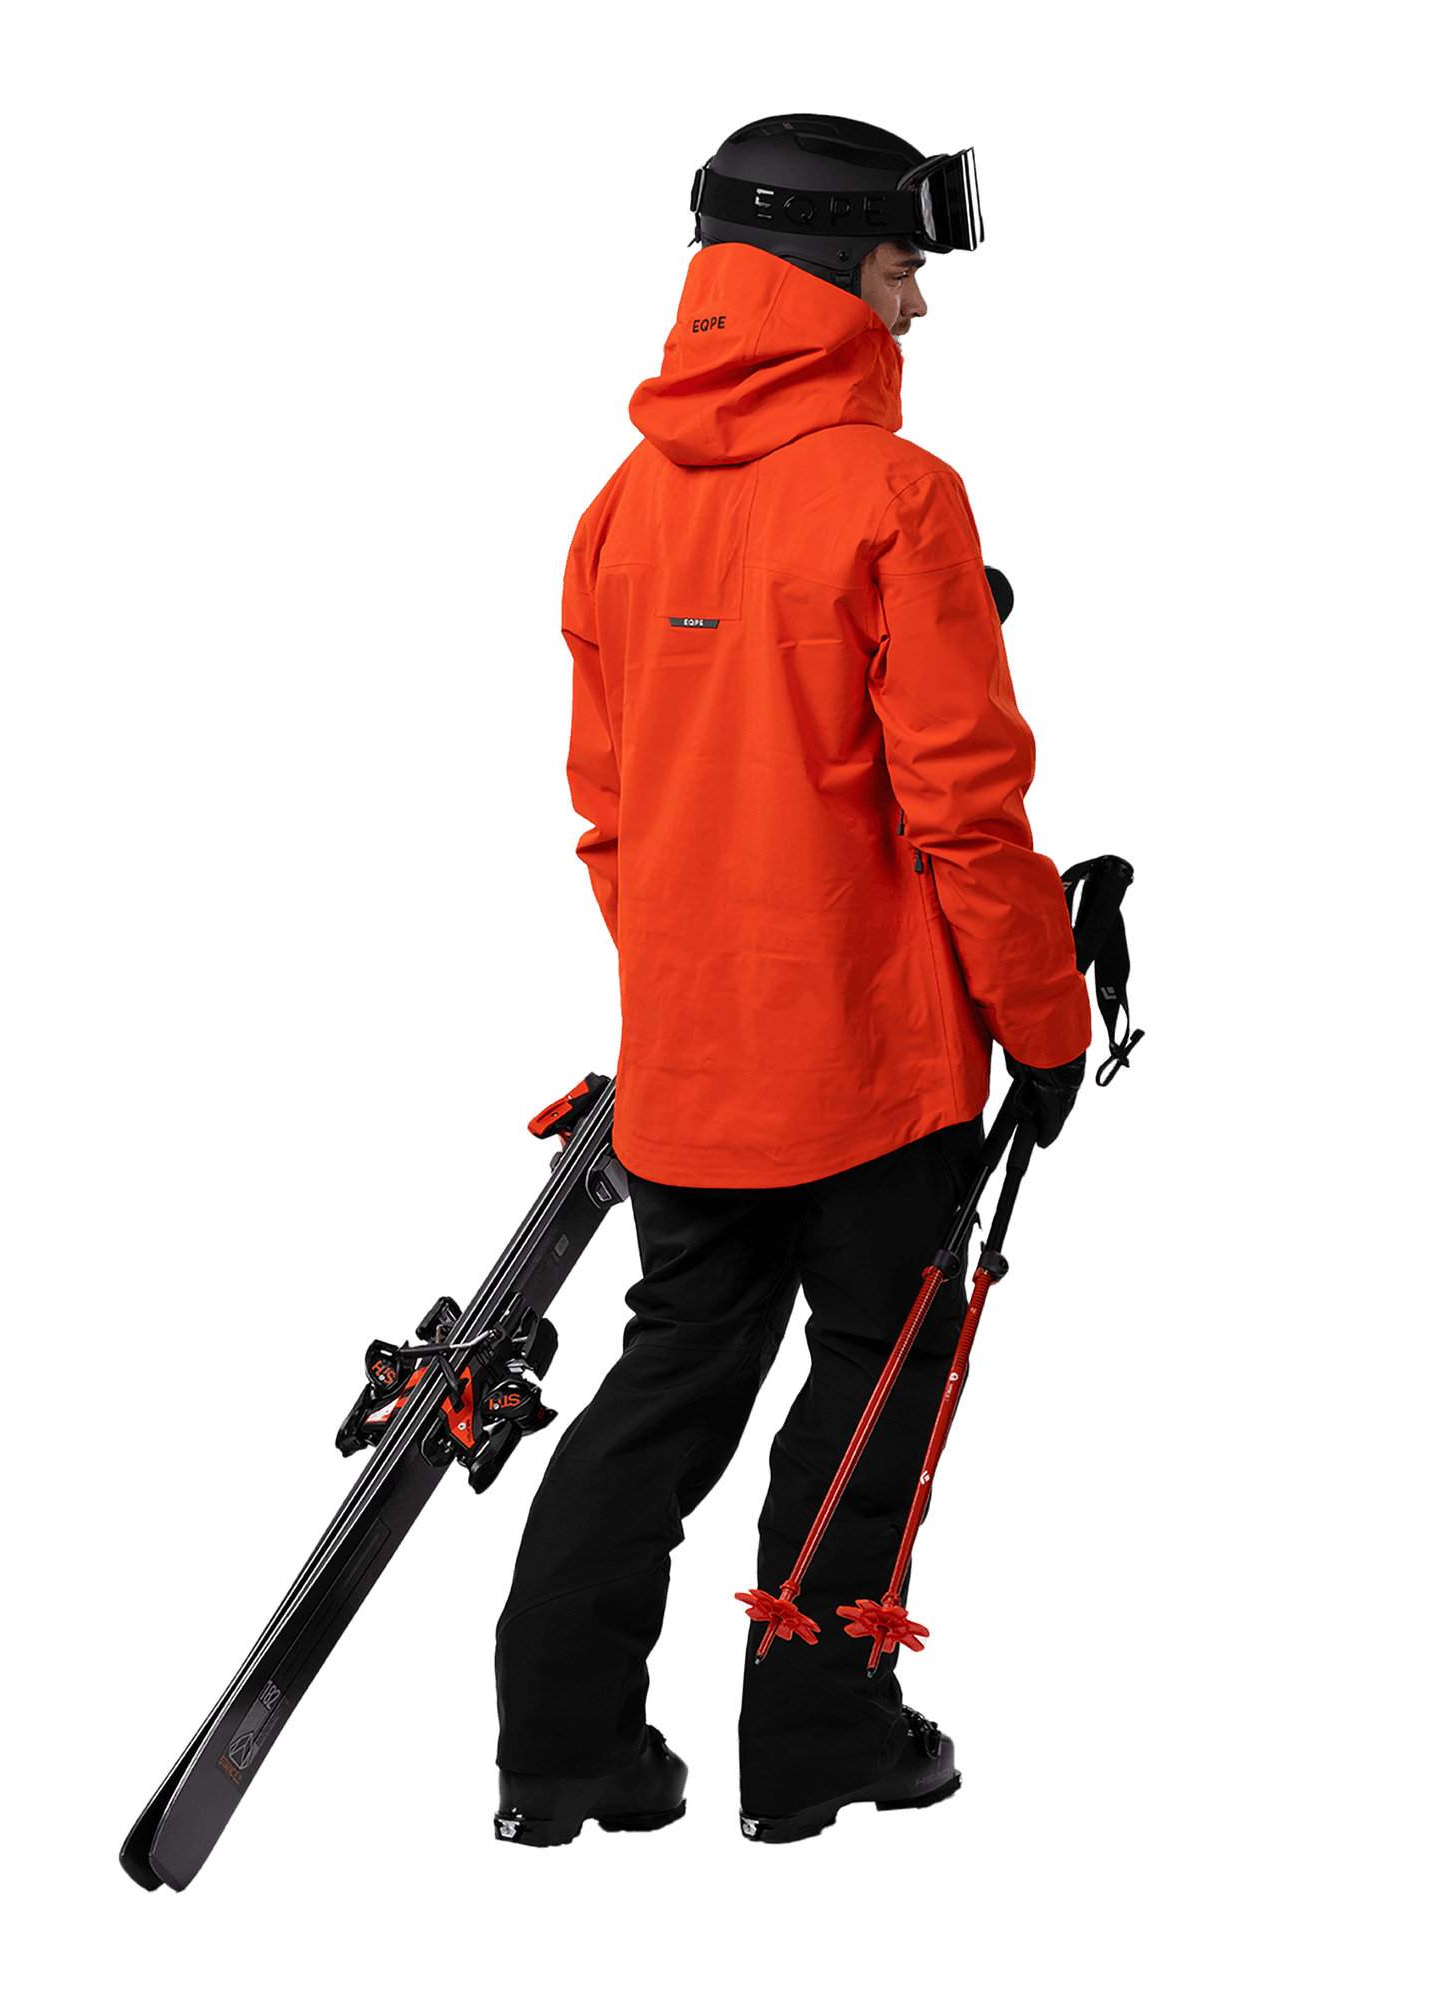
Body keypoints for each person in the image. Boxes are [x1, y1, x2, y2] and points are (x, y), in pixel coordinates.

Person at [491, 113, 1091, 1849]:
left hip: (689, 1064)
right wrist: (1045, 1024)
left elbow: (609, 813)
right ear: (824, 275)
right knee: (874, 1380)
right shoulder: (899, 498)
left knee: (669, 1378)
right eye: (902, 268)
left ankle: (562, 1754)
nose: (918, 307)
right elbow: (967, 811)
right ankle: (821, 1738)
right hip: (878, 1067)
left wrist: (693, 987)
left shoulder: (617, 511)